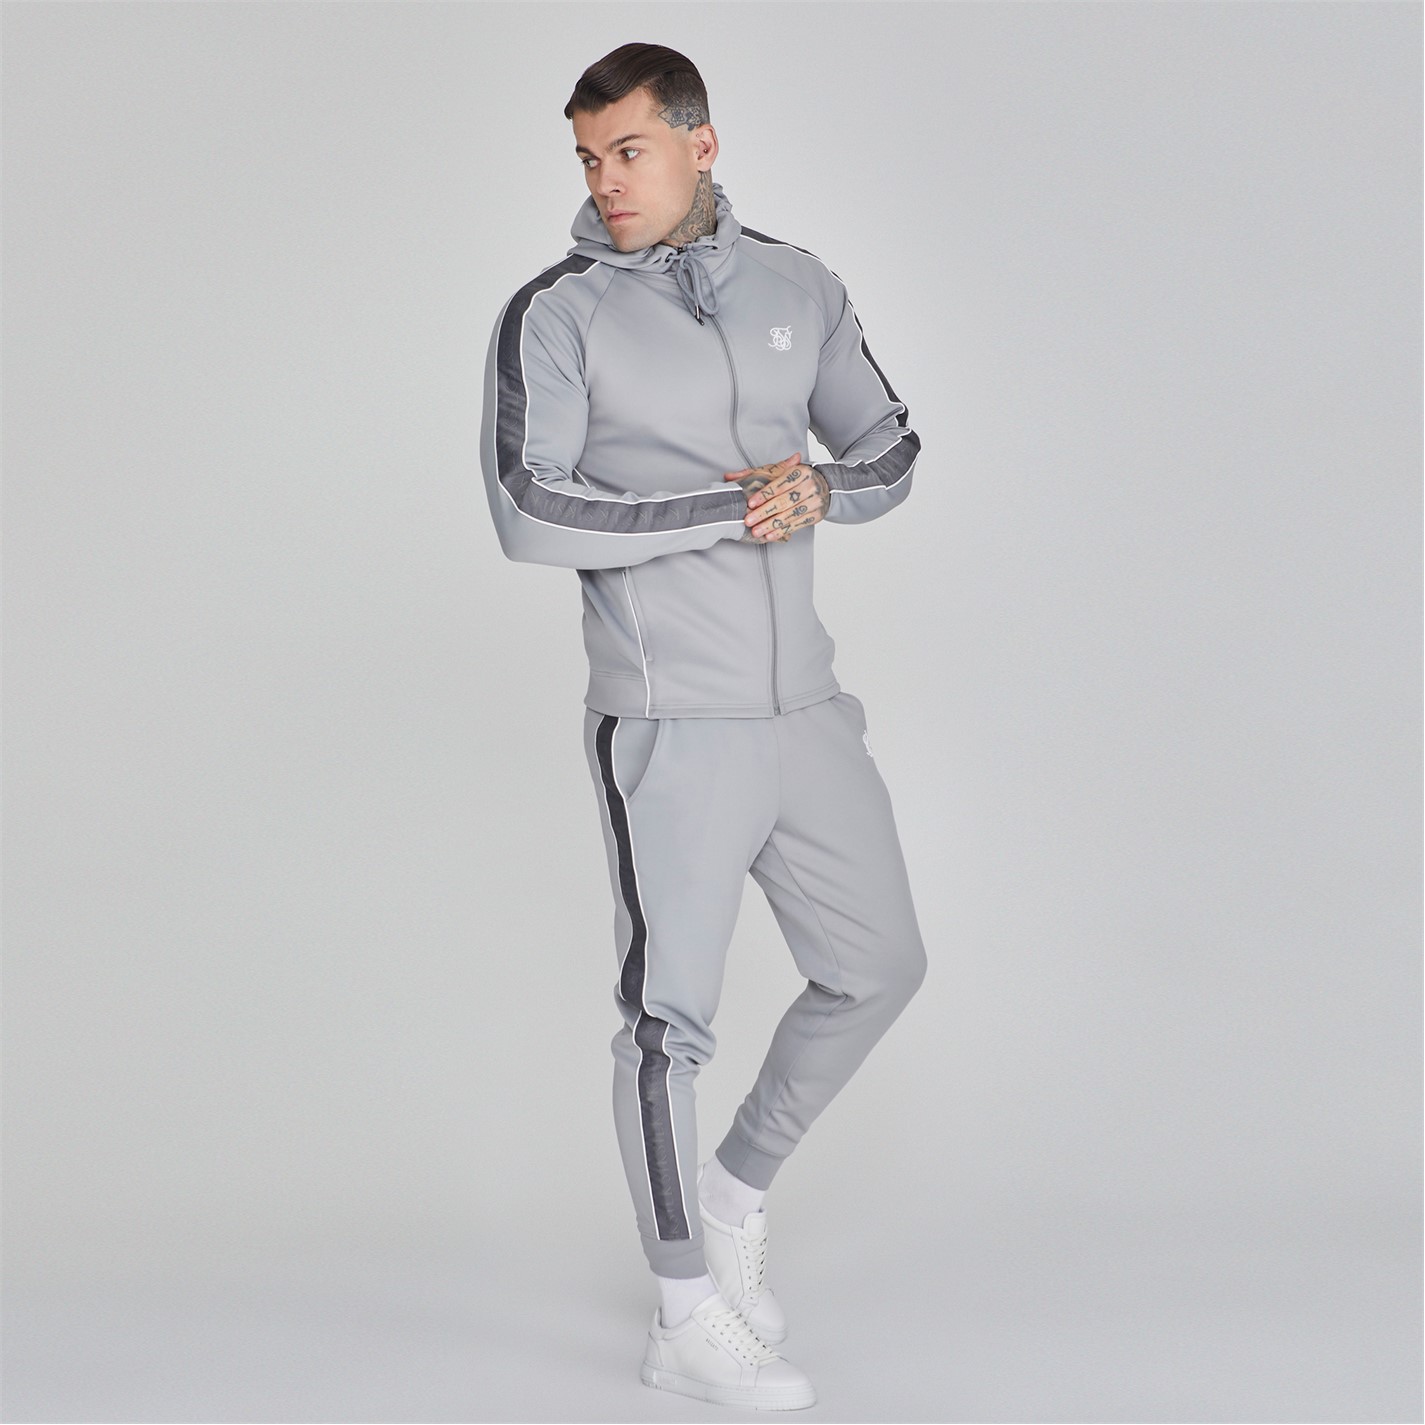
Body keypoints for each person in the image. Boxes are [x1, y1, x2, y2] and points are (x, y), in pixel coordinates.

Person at [479, 41, 928, 1412]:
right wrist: (730, 508)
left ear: (700, 144)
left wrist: (822, 490)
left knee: (879, 965)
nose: (606, 182)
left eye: (629, 151)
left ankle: (732, 1191)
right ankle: (682, 1312)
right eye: (588, 159)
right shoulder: (556, 314)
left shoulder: (798, 283)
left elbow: (889, 446)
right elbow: (528, 509)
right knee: (667, 1023)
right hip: (671, 722)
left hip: (805, 709)